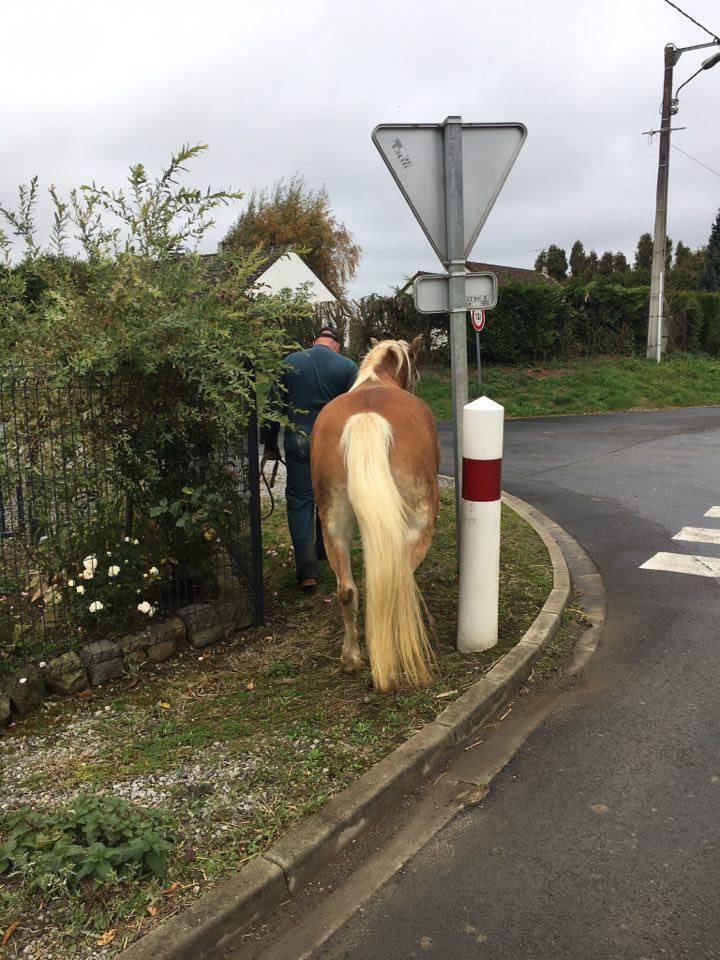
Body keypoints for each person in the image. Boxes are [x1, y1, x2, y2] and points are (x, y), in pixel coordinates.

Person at [261, 326, 358, 592]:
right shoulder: (348, 366)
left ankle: (307, 573)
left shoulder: (290, 362)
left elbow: (272, 409)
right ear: (335, 345)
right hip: (335, 444)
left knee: (301, 499)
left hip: (299, 441)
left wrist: (270, 444)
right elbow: (358, 410)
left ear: (314, 341)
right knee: (331, 497)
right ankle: (326, 549)